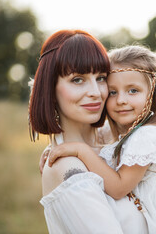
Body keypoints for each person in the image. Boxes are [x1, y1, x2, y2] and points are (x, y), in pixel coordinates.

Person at [46, 45, 156, 233]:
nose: (121, 100)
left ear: (152, 93)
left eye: (133, 91)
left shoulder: (147, 136)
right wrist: (59, 146)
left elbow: (118, 187)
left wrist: (79, 151)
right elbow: (97, 138)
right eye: (113, 92)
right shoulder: (141, 130)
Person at [29, 30, 148, 234]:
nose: (96, 92)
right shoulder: (70, 169)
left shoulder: (119, 141)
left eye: (101, 78)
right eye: (77, 80)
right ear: (50, 89)